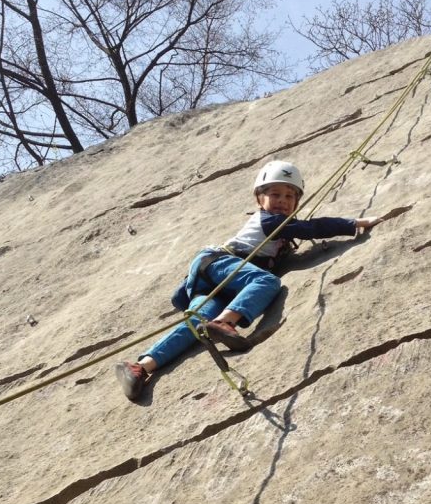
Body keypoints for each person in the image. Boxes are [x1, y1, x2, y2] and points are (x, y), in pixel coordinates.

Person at [115, 160, 384, 400]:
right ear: (259, 199)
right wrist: (355, 223)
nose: (282, 200)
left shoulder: (277, 225)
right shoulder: (270, 220)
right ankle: (225, 322)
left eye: (290, 196)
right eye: (275, 194)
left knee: (195, 324)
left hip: (220, 282)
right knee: (267, 282)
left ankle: (141, 367)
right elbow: (310, 227)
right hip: (222, 263)